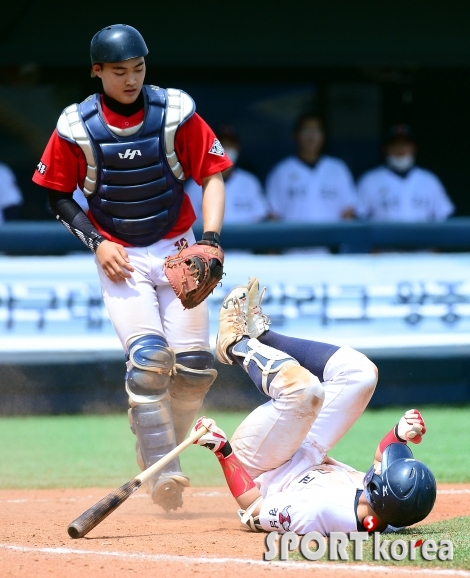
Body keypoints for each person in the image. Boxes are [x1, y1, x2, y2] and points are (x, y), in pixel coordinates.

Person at [32, 24, 231, 512]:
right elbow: (57, 193)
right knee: (149, 363)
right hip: (119, 256)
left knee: (195, 369)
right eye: (118, 71)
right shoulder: (76, 125)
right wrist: (95, 243)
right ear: (97, 71)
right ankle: (164, 467)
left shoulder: (174, 112)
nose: (131, 79)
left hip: (178, 248)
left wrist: (210, 241)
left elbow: (212, 174)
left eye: (138, 69)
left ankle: (159, 448)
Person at [191, 278, 436, 534]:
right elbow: (379, 461)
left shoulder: (317, 513)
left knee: (305, 391)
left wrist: (223, 451)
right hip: (309, 450)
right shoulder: (387, 510)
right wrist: (398, 434)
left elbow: (253, 507)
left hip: (261, 464)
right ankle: (261, 335)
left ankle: (234, 344)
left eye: (385, 471)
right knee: (361, 373)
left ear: (378, 489)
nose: (383, 465)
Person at [266, 114, 357, 223]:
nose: (311, 136)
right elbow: (273, 215)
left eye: (316, 131)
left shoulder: (338, 169)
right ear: (295, 135)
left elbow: (348, 211)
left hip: (331, 239)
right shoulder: (280, 171)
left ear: (324, 136)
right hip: (293, 239)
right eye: (306, 130)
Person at [357, 124, 454, 222]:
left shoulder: (429, 180)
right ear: (385, 149)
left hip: (422, 237)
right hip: (384, 237)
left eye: (406, 145)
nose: (401, 150)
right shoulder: (369, 180)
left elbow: (444, 217)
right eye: (395, 145)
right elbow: (358, 218)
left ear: (414, 148)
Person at [185, 125, 269, 224]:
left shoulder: (249, 182)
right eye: (221, 144)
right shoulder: (195, 185)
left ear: (238, 148)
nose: (226, 150)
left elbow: (262, 221)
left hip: (245, 239)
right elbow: (188, 227)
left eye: (231, 145)